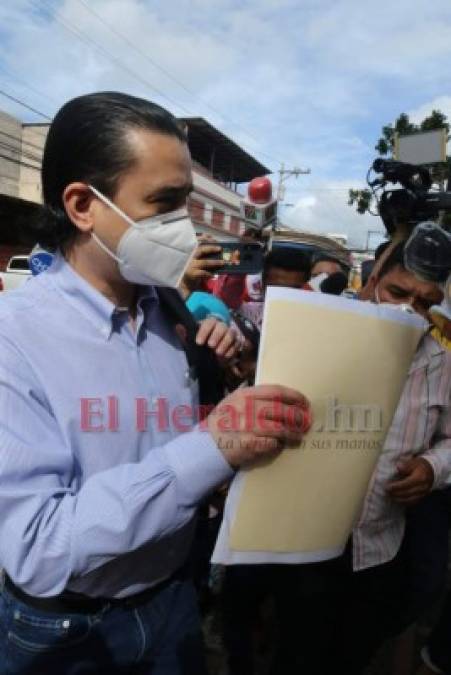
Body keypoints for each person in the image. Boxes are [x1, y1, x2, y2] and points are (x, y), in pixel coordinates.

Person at [0, 92, 309, 675]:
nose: (183, 228)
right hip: (67, 632)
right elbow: (39, 547)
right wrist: (211, 448)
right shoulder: (13, 340)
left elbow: (173, 442)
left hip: (173, 603)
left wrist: (227, 395)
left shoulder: (169, 312)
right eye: (163, 203)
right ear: (82, 205)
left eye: (184, 205)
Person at [272, 242, 451, 675]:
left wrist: (433, 467)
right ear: (371, 283)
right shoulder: (311, 337)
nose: (412, 310)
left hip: (379, 551)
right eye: (398, 293)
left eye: (426, 302)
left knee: (351, 656)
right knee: (297, 656)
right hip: (304, 545)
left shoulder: (441, 363)